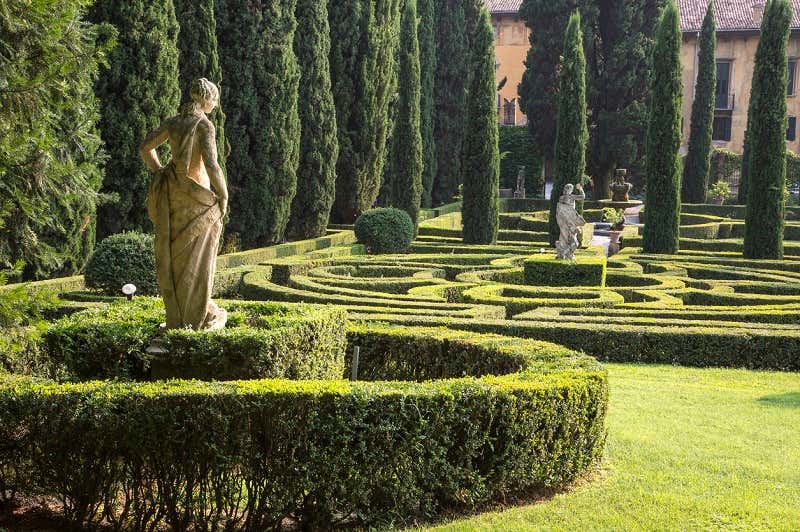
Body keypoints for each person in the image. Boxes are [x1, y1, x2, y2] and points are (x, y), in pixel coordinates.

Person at [141, 78, 228, 330]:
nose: (215, 103)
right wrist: (223, 195)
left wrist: (159, 171)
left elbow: (146, 148)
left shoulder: (174, 122)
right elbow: (212, 165)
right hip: (197, 197)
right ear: (207, 100)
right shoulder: (204, 125)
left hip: (173, 196)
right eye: (214, 99)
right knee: (197, 260)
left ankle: (178, 318)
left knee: (175, 256)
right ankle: (197, 317)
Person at [555, 183, 586, 260]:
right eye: (567, 188)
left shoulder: (567, 197)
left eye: (569, 188)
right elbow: (560, 210)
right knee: (564, 236)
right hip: (566, 221)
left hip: (569, 221)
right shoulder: (566, 198)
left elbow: (582, 197)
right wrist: (580, 189)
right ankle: (563, 253)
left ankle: (567, 254)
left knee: (569, 236)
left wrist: (580, 189)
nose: (567, 190)